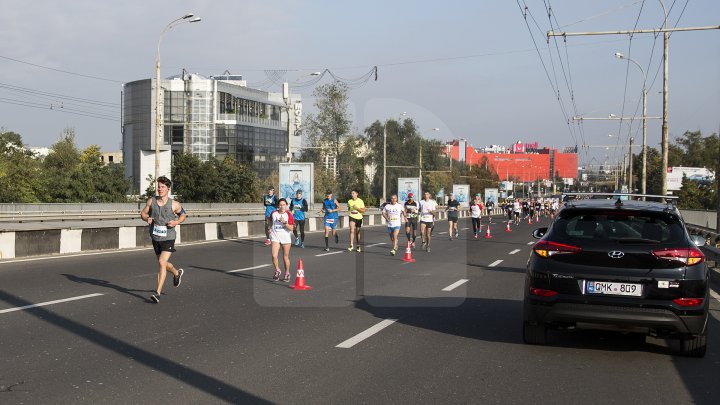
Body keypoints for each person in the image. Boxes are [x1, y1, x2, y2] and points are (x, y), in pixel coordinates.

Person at [140, 176, 187, 304]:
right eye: (159, 187)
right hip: (155, 237)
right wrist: (146, 218)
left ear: (168, 189)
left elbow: (183, 214)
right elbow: (143, 213)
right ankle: (176, 273)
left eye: (163, 187)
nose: (160, 189)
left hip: (169, 237)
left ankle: (157, 293)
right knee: (164, 264)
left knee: (161, 262)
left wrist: (176, 221)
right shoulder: (151, 201)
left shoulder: (174, 204)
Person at [269, 198, 295, 282]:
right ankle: (277, 270)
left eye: (284, 205)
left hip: (285, 237)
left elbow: (291, 228)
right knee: (274, 255)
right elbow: (270, 221)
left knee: (285, 257)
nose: (282, 206)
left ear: (286, 205)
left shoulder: (289, 215)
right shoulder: (274, 213)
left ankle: (287, 273)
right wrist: (270, 228)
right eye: (280, 205)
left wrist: (284, 222)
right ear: (278, 206)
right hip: (275, 236)